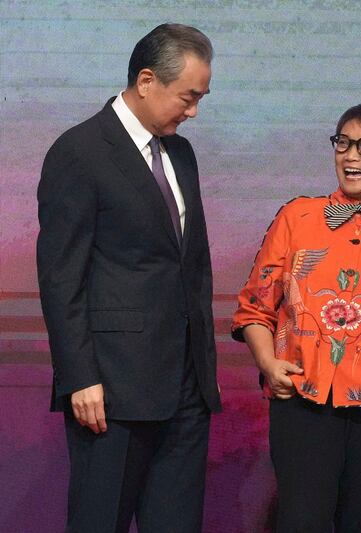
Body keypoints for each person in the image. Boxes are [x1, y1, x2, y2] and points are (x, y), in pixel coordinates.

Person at [37, 23, 221, 532]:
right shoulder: (80, 151)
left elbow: (191, 264)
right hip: (112, 390)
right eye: (188, 97)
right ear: (146, 80)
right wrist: (80, 376)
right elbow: (60, 276)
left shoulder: (181, 153)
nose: (193, 112)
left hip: (186, 387)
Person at [232, 100, 361, 532]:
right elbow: (256, 306)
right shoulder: (297, 217)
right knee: (300, 521)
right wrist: (268, 363)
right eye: (343, 143)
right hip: (301, 403)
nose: (350, 156)